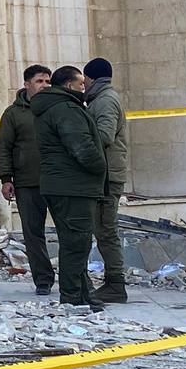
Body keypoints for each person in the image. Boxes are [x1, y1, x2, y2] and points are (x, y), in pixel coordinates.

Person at [31, 65, 109, 310]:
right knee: (76, 242)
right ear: (68, 86)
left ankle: (82, 294)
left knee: (76, 242)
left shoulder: (56, 107)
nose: (83, 88)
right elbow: (81, 147)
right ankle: (73, 297)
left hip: (64, 184)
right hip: (72, 186)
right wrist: (100, 167)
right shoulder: (65, 108)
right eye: (80, 84)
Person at [0, 64, 56, 295]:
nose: (45, 85)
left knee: (68, 230)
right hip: (27, 182)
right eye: (40, 81)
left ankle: (76, 279)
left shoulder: (57, 108)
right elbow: (5, 148)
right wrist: (5, 178)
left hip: (58, 179)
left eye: (48, 81)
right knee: (33, 234)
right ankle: (43, 280)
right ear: (27, 84)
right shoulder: (14, 114)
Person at [83, 57, 129, 304]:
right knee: (103, 229)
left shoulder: (105, 101)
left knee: (106, 230)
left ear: (91, 78)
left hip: (107, 177)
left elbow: (104, 136)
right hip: (106, 174)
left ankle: (116, 284)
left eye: (85, 80)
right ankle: (113, 282)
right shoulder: (102, 99)